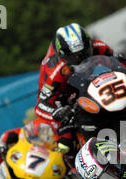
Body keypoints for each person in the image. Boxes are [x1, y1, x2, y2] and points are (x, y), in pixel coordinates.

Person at [35, 22, 115, 157]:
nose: (81, 60)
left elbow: (119, 63)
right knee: (66, 144)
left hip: (86, 82)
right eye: (75, 57)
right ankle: (79, 168)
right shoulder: (55, 70)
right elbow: (40, 105)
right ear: (63, 55)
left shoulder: (98, 46)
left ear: (89, 43)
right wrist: (57, 112)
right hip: (61, 98)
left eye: (84, 53)